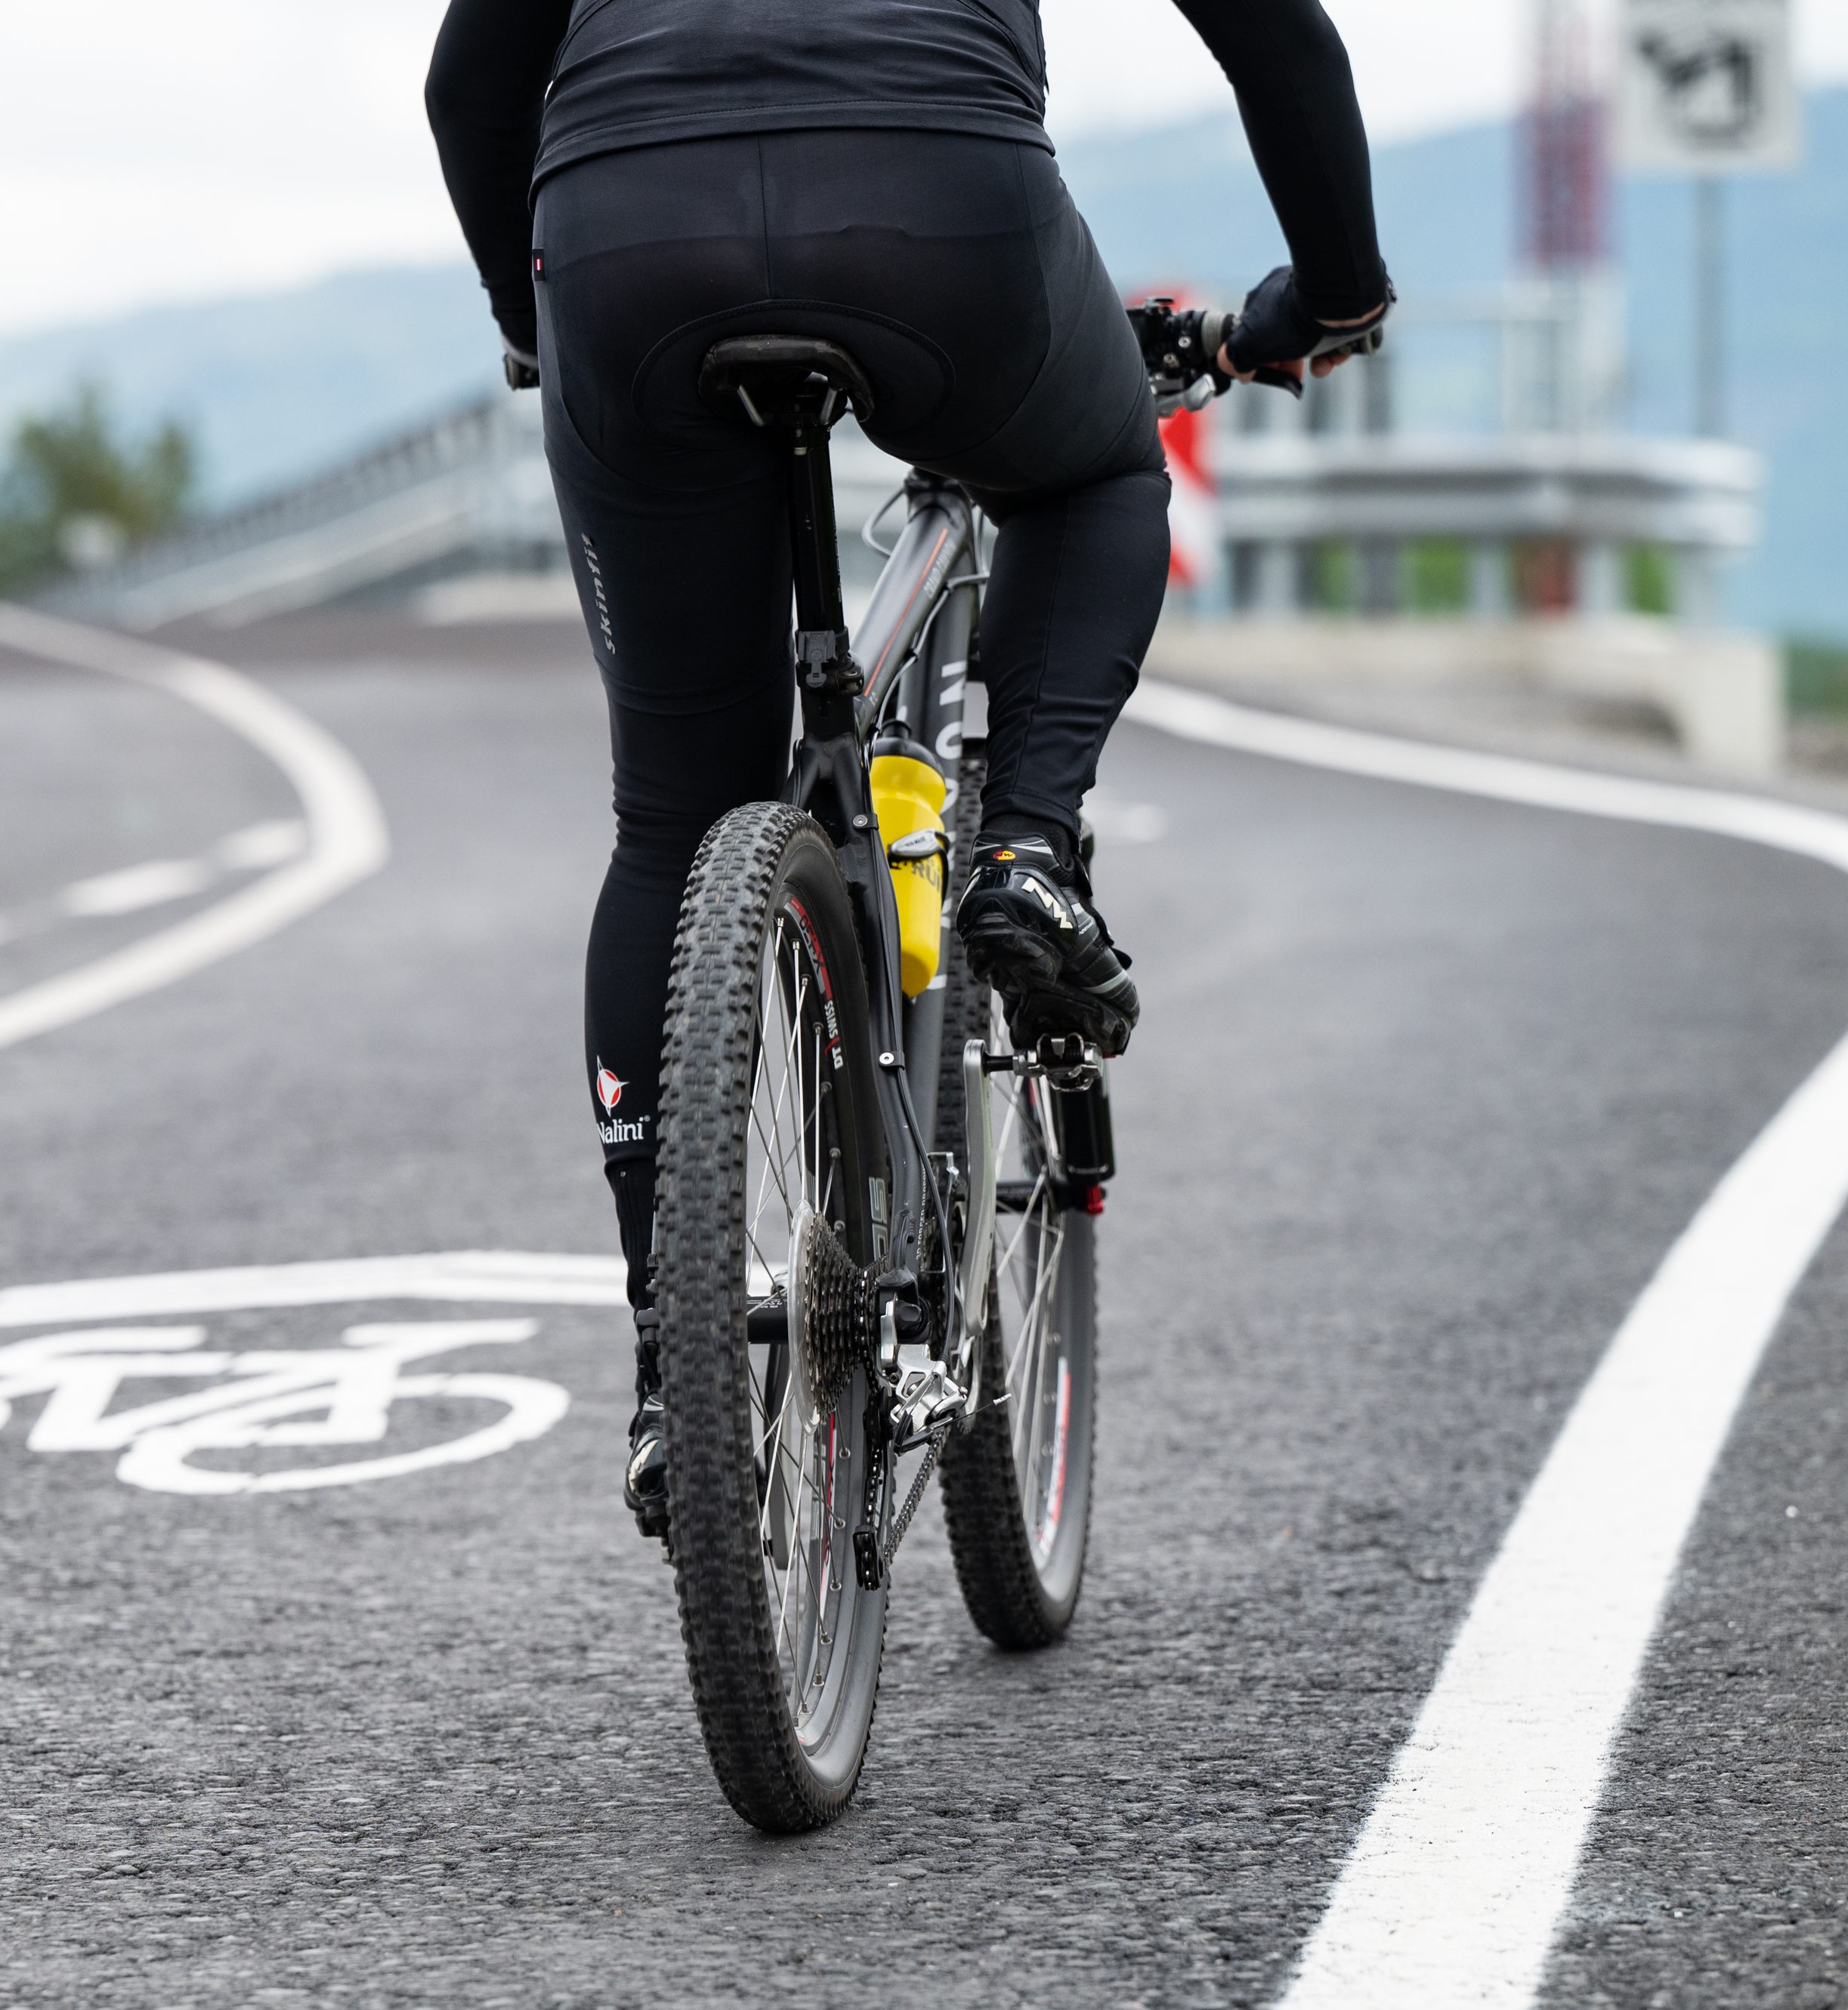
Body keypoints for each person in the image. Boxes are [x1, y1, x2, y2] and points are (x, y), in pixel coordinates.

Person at [425, 0, 1390, 1533]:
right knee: (1087, 476)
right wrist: (1332, 295)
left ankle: (681, 1365)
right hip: (940, 208)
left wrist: (539, 321)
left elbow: (469, 80)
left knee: (672, 822)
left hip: (620, 234)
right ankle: (1021, 853)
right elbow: (1277, 36)